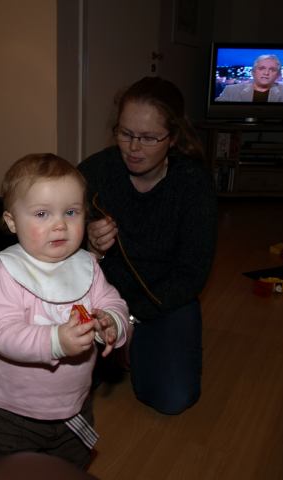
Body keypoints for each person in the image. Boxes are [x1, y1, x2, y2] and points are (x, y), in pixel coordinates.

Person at [0, 153, 130, 476]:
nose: (60, 225)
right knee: (5, 471)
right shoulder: (5, 273)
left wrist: (111, 321)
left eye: (71, 212)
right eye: (42, 214)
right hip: (13, 413)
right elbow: (2, 333)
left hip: (75, 406)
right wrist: (55, 340)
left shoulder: (86, 266)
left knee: (69, 468)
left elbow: (112, 301)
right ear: (12, 221)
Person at [78, 76, 217, 415]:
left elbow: (191, 274)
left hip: (164, 300)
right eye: (125, 133)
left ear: (173, 138)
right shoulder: (95, 171)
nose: (133, 147)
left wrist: (130, 316)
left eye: (149, 137)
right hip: (99, 296)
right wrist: (88, 244)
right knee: (63, 384)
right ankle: (117, 352)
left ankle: (129, 345)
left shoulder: (193, 184)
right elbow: (51, 242)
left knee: (172, 397)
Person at [216, 54, 283, 102]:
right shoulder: (231, 91)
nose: (266, 73)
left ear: (278, 75)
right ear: (253, 72)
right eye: (262, 68)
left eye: (272, 70)